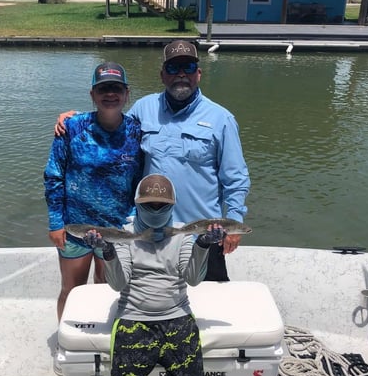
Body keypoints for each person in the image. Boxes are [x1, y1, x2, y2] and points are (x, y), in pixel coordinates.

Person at [56, 40, 250, 282]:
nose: (181, 74)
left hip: (201, 233)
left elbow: (236, 178)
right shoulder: (143, 108)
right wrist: (75, 119)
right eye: (172, 68)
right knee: (148, 302)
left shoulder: (222, 119)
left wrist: (234, 223)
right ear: (162, 75)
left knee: (206, 302)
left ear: (198, 74)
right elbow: (111, 124)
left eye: (188, 67)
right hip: (150, 233)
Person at [83, 173, 225, 376]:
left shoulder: (185, 234)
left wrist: (204, 246)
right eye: (150, 205)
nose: (156, 210)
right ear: (137, 204)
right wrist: (107, 251)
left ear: (172, 205)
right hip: (134, 320)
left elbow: (192, 279)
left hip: (178, 319)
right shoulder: (122, 234)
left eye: (162, 205)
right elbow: (119, 284)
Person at [43, 61, 143, 374]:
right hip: (74, 227)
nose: (110, 94)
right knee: (71, 289)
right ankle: (66, 343)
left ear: (126, 94)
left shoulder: (137, 131)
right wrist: (55, 222)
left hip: (114, 229)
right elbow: (53, 175)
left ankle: (100, 341)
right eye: (103, 89)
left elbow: (143, 180)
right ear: (92, 94)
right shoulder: (71, 127)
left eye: (116, 88)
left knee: (105, 287)